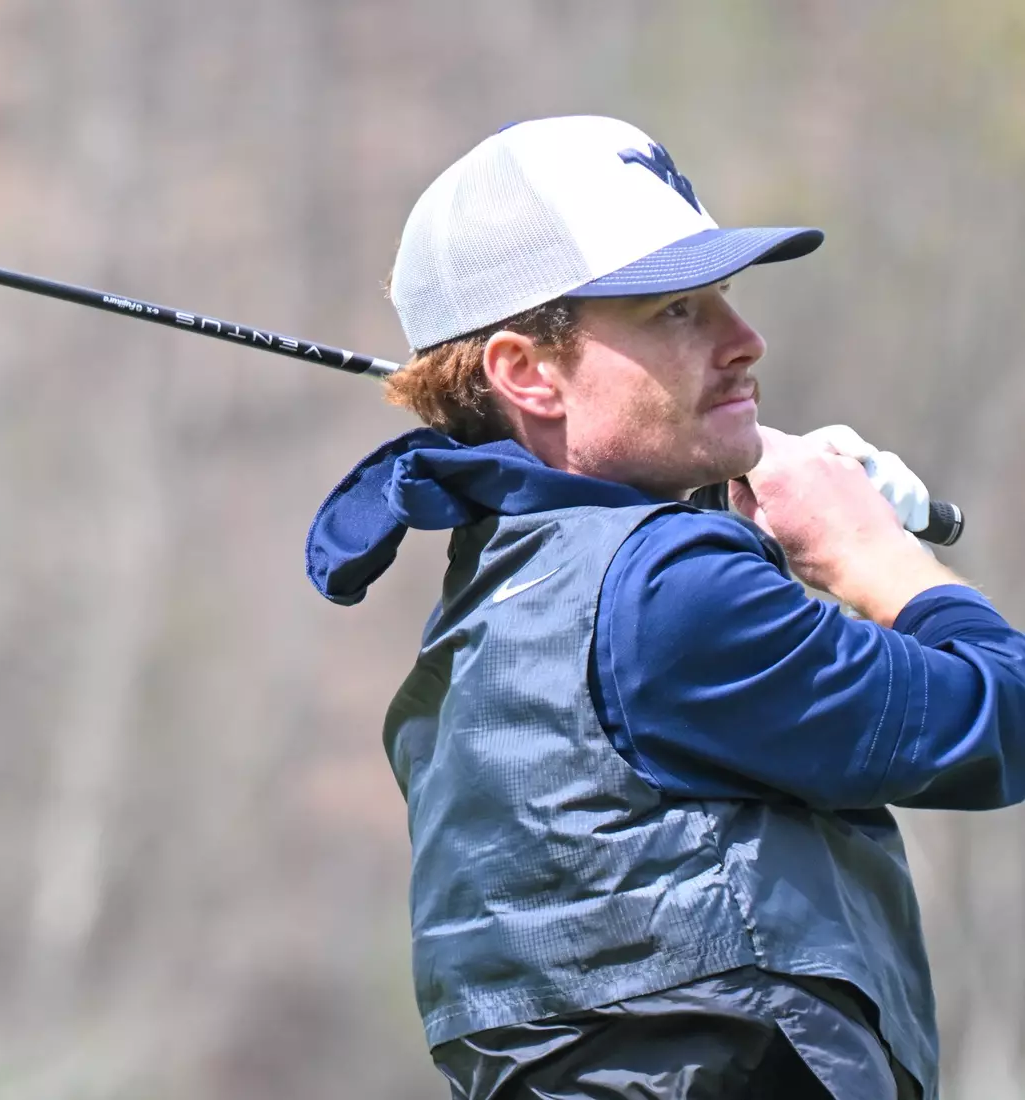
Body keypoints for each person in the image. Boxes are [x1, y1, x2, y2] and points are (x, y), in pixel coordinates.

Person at [304, 116, 1025, 1100]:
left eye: (723, 296)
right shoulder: (668, 591)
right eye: (675, 312)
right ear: (524, 372)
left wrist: (759, 535)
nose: (744, 340)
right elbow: (1002, 715)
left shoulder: (490, 607)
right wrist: (868, 550)